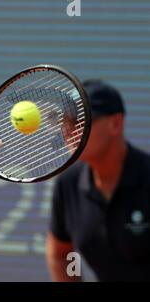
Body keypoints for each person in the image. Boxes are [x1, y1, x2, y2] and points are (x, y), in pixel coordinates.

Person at [46, 79, 150, 281]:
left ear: (116, 124)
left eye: (78, 122)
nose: (68, 131)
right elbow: (61, 254)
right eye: (65, 123)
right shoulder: (67, 183)